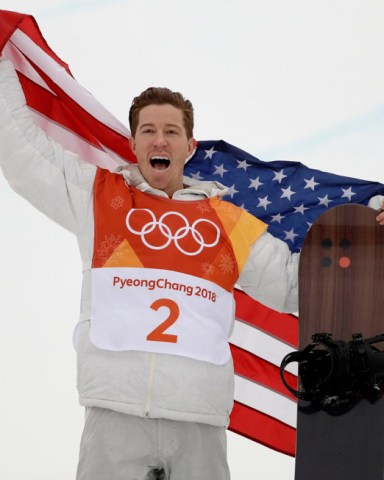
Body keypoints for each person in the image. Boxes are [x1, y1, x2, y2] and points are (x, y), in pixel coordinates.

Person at [0, 58, 383, 480]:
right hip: (115, 411)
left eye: (170, 132)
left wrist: (372, 231)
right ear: (134, 144)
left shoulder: (226, 221)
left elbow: (298, 285)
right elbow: (23, 154)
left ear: (189, 146)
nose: (159, 140)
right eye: (148, 131)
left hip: (198, 417)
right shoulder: (98, 197)